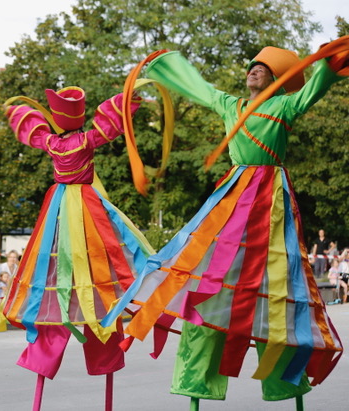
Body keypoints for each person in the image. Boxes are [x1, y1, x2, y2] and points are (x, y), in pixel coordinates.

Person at [107, 44, 347, 403]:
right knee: (206, 276)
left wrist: (333, 62)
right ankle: (195, 383)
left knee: (281, 284)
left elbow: (314, 87)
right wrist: (164, 65)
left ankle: (284, 381)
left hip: (270, 200)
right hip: (232, 199)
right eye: (252, 66)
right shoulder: (228, 104)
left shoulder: (284, 105)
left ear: (276, 80)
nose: (253, 71)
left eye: (263, 69)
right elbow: (198, 86)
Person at [3, 85, 155, 406]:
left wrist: (14, 111)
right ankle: (106, 356)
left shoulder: (51, 141)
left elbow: (31, 128)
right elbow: (109, 124)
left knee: (54, 283)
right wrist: (132, 99)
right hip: (85, 208)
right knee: (105, 273)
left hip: (58, 211)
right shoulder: (86, 139)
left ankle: (48, 365)